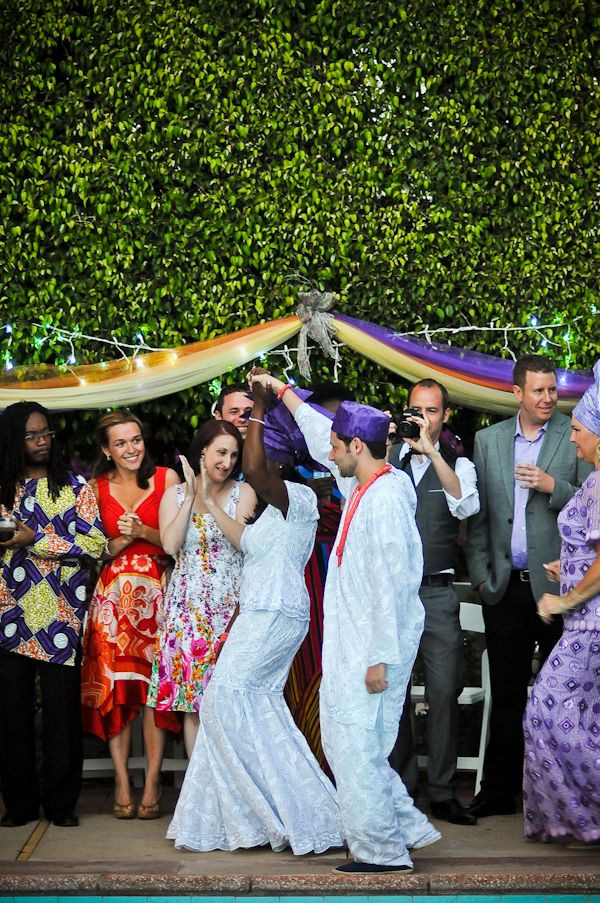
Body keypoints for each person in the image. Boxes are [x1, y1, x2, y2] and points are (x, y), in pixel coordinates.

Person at [256, 375, 440, 873]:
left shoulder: (385, 498)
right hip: (353, 642)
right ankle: (402, 826)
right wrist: (282, 391)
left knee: (356, 748)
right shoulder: (363, 483)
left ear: (358, 447)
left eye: (338, 445)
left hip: (373, 647)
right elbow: (321, 435)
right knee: (351, 745)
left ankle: (381, 850)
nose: (329, 451)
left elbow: (395, 583)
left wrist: (380, 657)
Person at [167, 374, 343, 854]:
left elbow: (254, 467)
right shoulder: (266, 505)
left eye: (257, 447)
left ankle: (291, 810)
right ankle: (250, 815)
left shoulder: (298, 496)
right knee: (246, 706)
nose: (249, 457)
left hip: (275, 612)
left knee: (222, 699)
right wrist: (205, 499)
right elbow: (246, 544)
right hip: (262, 610)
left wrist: (262, 405)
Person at [465, 355, 593, 819]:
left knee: (566, 698)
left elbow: (592, 496)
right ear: (517, 392)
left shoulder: (574, 433)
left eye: (552, 389)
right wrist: (482, 576)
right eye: (538, 390)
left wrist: (551, 484)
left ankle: (561, 798)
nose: (548, 398)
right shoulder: (489, 440)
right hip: (504, 588)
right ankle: (499, 793)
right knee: (507, 695)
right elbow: (478, 517)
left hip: (558, 589)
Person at [0, 402, 105, 828]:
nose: (42, 441)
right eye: (31, 435)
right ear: (13, 440)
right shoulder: (3, 488)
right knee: (12, 715)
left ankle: (62, 805)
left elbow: (95, 545)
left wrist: (35, 539)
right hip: (8, 615)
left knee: (62, 716)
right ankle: (19, 805)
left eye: (46, 433)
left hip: (60, 615)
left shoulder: (75, 487)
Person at [388, 379, 480, 825]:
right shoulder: (387, 460)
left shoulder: (459, 464)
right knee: (394, 693)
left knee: (444, 691)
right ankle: (401, 789)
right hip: (393, 595)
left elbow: (465, 506)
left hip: (437, 592)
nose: (422, 418)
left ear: (444, 416)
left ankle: (442, 792)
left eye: (431, 411)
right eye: (416, 410)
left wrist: (433, 453)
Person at [81, 411, 180, 820]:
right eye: (120, 443)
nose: (131, 448)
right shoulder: (94, 488)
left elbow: (180, 542)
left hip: (158, 596)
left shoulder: (168, 480)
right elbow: (89, 548)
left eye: (135, 439)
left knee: (154, 692)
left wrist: (142, 533)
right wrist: (118, 541)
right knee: (116, 691)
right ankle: (122, 780)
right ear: (106, 450)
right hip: (111, 604)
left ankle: (153, 781)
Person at [522, 360, 600, 845]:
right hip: (583, 622)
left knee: (547, 709)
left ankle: (582, 814)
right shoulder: (593, 481)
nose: (571, 437)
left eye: (577, 430)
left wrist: (565, 598)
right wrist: (566, 564)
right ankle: (575, 818)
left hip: (591, 623)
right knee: (582, 719)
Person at [146, 421, 256, 759]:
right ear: (203, 451)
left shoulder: (244, 493)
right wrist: (193, 496)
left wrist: (210, 500)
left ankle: (230, 785)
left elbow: (244, 543)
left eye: (233, 455)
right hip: (187, 613)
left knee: (229, 703)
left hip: (231, 612)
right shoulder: (175, 495)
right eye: (221, 452)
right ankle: (199, 787)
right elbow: (170, 545)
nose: (227, 462)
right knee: (192, 706)